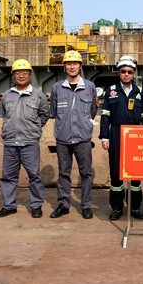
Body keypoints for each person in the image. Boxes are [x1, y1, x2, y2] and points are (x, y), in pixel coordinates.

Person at [0, 59, 50, 218]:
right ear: (13, 75)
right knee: (8, 176)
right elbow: (5, 115)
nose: (21, 75)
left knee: (34, 175)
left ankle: (36, 205)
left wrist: (33, 128)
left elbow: (44, 115)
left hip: (29, 143)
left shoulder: (38, 95)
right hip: (10, 142)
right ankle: (9, 205)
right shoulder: (7, 95)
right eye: (18, 73)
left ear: (30, 75)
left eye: (24, 73)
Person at [99, 55, 143, 220]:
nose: (126, 74)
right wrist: (104, 137)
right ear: (118, 72)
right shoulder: (111, 91)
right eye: (123, 71)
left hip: (136, 137)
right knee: (116, 174)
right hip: (116, 136)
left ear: (134, 73)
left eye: (129, 71)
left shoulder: (140, 92)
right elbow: (105, 116)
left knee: (135, 174)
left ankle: (135, 207)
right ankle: (116, 207)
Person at [50, 50, 98, 220]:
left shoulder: (90, 87)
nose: (72, 66)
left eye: (75, 63)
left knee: (86, 173)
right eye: (69, 63)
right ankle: (64, 205)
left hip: (83, 138)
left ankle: (86, 205)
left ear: (80, 66)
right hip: (63, 138)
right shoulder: (56, 88)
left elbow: (93, 111)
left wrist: (84, 125)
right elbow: (54, 111)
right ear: (64, 66)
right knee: (64, 173)